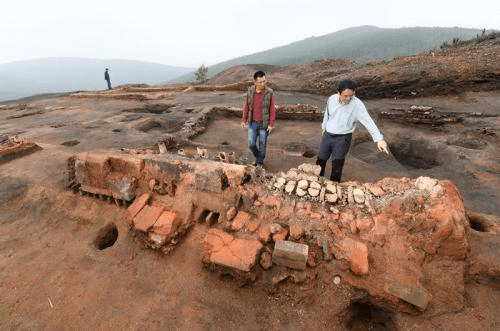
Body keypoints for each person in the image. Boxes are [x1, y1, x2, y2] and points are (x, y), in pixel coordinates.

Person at [316, 79, 389, 182]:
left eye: (351, 95)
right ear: (339, 93)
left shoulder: (357, 105)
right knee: (320, 161)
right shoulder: (331, 99)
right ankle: (316, 184)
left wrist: (379, 139)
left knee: (337, 166)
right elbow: (327, 114)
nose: (348, 98)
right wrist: (324, 127)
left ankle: (333, 188)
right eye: (345, 96)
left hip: (342, 139)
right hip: (328, 136)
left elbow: (368, 122)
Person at [241, 71, 276, 167]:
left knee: (262, 147)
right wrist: (244, 119)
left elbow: (272, 109)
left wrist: (271, 124)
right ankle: (259, 159)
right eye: (260, 82)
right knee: (251, 144)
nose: (263, 84)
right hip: (252, 123)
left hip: (264, 124)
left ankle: (259, 163)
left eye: (264, 81)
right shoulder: (250, 90)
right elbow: (247, 106)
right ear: (255, 82)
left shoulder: (269, 92)